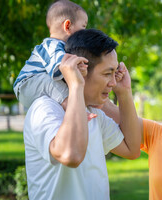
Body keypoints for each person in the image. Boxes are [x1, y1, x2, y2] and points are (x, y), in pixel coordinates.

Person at [23, 29, 141, 199]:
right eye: (108, 73)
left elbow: (132, 150)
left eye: (115, 73)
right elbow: (71, 156)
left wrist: (124, 93)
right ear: (80, 70)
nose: (113, 83)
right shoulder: (44, 109)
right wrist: (75, 86)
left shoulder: (93, 113)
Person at [13, 0, 88, 109]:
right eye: (83, 27)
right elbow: (59, 70)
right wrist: (77, 67)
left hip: (33, 85)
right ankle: (77, 111)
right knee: (57, 87)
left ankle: (75, 110)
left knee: (63, 87)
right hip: (27, 84)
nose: (85, 32)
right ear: (67, 26)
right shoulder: (51, 45)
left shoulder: (62, 48)